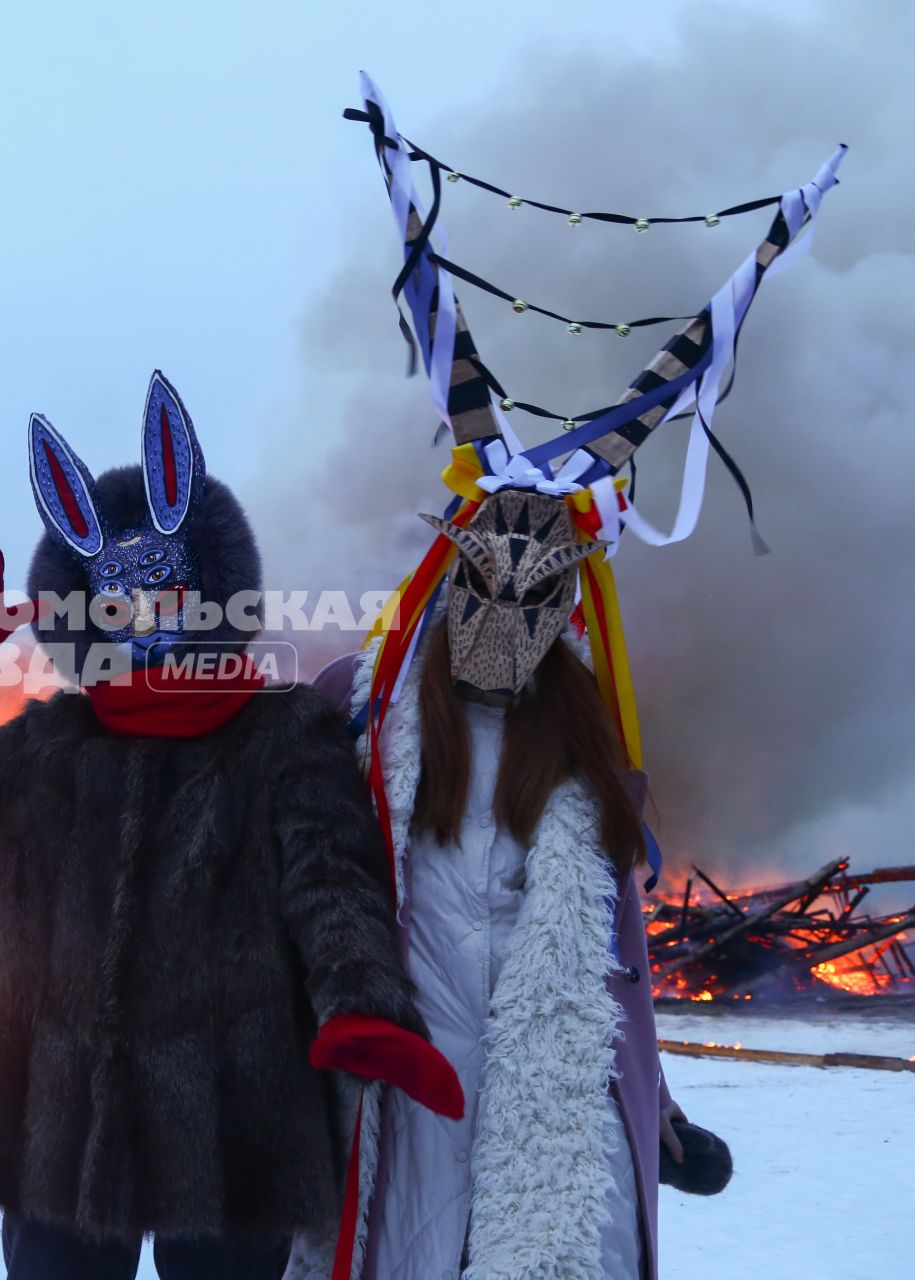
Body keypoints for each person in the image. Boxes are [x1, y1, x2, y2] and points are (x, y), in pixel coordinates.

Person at [0, 372, 459, 1280]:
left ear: (212, 592)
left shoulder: (285, 734)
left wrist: (364, 1005)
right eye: (119, 605)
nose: (145, 620)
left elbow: (331, 883)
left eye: (167, 597)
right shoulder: (51, 742)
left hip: (233, 1120)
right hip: (54, 1124)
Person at [295, 486, 685, 1280]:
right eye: (484, 580)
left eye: (534, 591)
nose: (503, 612)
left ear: (567, 599)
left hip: (553, 1103)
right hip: (400, 1085)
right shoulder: (362, 707)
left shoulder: (587, 739)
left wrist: (657, 1097)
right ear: (448, 574)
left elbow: (610, 958)